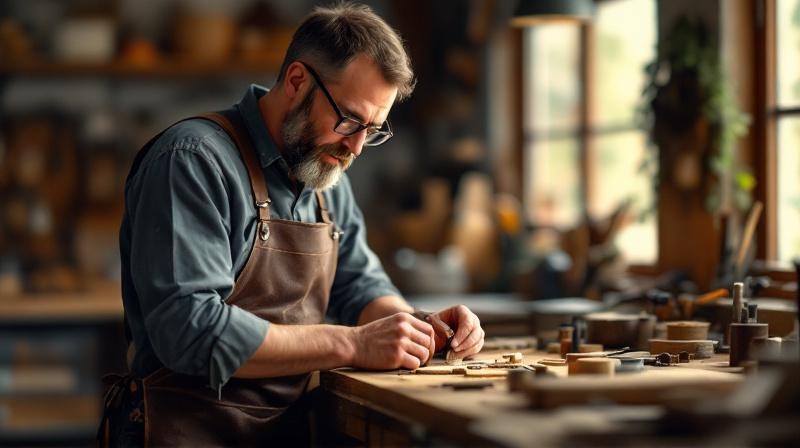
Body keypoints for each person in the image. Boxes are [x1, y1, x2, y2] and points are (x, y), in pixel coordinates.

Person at [100, 2, 484, 446]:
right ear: (298, 81)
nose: (356, 148)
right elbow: (191, 330)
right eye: (349, 120)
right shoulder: (192, 161)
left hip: (287, 433)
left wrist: (420, 328)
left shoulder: (326, 174)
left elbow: (360, 287)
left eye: (373, 130)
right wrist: (354, 344)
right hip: (184, 432)